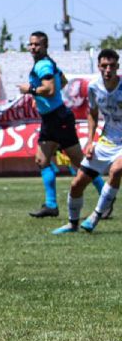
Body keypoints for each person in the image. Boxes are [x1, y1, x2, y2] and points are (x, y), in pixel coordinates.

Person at [20, 31, 101, 218]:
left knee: (80, 162)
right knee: (41, 160)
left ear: (45, 46)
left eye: (37, 44)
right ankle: (51, 206)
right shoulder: (47, 63)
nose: (33, 47)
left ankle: (105, 195)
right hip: (51, 119)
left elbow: (49, 89)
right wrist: (40, 98)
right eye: (31, 44)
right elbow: (62, 82)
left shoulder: (44, 65)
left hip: (58, 119)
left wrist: (31, 90)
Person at [52, 49, 122, 234]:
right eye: (104, 66)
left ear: (118, 67)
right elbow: (92, 113)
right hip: (107, 141)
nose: (108, 69)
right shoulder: (93, 87)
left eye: (112, 66)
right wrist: (90, 142)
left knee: (116, 171)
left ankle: (96, 216)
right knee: (77, 184)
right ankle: (72, 224)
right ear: (99, 66)